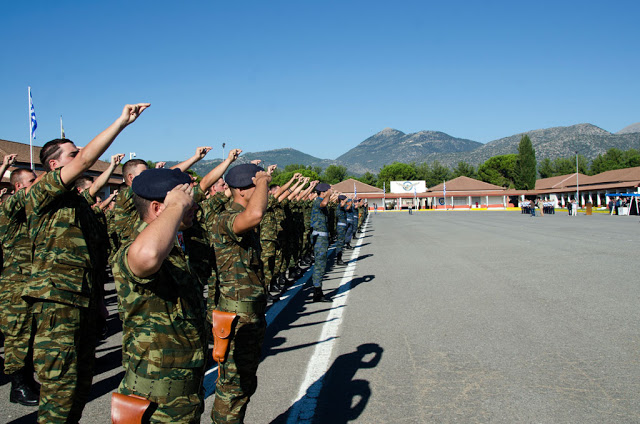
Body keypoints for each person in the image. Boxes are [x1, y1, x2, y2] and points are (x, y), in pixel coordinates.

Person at [24, 103, 149, 423]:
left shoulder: (79, 204)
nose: (79, 154)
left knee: (78, 391)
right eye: (72, 153)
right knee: (60, 393)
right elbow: (86, 160)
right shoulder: (42, 194)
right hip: (57, 304)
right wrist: (120, 123)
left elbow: (92, 259)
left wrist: (98, 302)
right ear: (53, 165)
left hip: (83, 302)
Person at [112, 168, 207, 422]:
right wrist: (175, 206)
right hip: (156, 404)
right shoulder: (136, 247)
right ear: (157, 208)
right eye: (187, 203)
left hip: (181, 397)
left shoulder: (173, 247)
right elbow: (147, 256)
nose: (194, 207)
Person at [210, 163, 271, 423]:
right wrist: (264, 182)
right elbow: (256, 213)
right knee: (232, 388)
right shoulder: (226, 218)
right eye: (256, 187)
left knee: (244, 385)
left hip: (250, 315)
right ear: (244, 191)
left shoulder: (241, 218)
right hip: (236, 318)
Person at [0, 166, 39, 406]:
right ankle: (18, 387)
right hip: (15, 285)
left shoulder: (28, 212)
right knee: (17, 336)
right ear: (19, 187)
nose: (38, 184)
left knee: (30, 334)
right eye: (32, 181)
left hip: (30, 283)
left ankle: (28, 380)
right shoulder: (9, 210)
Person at [310, 183, 333, 302]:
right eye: (328, 191)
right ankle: (317, 293)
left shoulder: (320, 200)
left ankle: (318, 291)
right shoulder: (317, 201)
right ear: (323, 192)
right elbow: (323, 204)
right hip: (319, 238)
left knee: (321, 264)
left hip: (322, 238)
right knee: (320, 265)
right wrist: (328, 195)